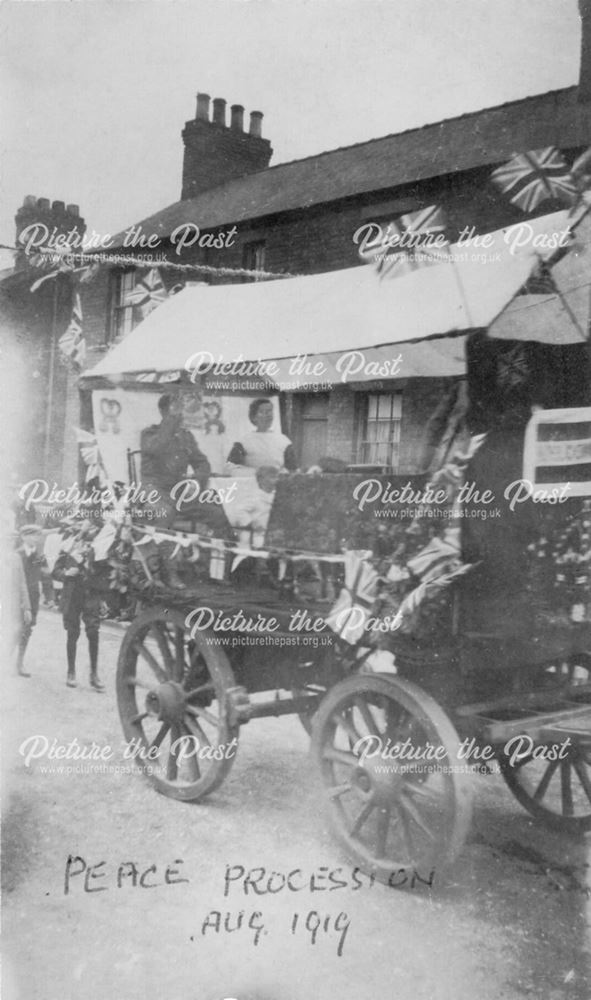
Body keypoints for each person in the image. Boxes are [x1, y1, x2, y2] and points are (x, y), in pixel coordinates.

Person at [140, 393, 212, 527]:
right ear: (163, 412)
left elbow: (202, 463)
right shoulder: (149, 434)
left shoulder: (186, 436)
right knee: (164, 513)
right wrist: (170, 423)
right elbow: (157, 448)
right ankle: (161, 547)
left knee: (215, 511)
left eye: (181, 408)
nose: (180, 412)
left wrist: (197, 481)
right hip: (156, 490)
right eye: (176, 407)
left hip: (180, 491)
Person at [52, 521, 105, 691]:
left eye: (92, 530)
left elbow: (105, 574)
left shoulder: (100, 548)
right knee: (73, 633)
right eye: (85, 529)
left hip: (91, 594)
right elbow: (55, 571)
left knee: (93, 632)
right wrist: (67, 573)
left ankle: (94, 674)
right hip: (73, 594)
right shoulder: (68, 546)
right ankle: (71, 672)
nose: (88, 533)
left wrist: (103, 598)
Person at [11, 525, 49, 677]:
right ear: (24, 537)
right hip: (15, 597)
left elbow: (46, 577)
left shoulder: (39, 557)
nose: (36, 539)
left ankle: (19, 663)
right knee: (14, 629)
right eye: (33, 535)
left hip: (32, 598)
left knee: (27, 630)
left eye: (38, 536)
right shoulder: (16, 554)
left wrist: (50, 596)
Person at [226, 398, 296, 473]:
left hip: (277, 482)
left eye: (270, 411)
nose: (267, 415)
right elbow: (230, 467)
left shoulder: (284, 441)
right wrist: (256, 472)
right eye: (262, 412)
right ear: (254, 417)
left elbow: (292, 469)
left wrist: (276, 474)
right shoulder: (243, 441)